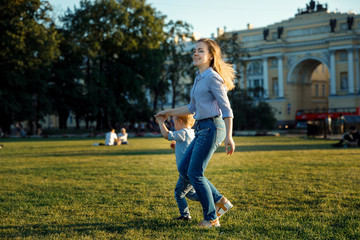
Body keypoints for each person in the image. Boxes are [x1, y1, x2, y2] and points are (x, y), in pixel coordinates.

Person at [156, 38, 235, 228]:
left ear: (210, 56)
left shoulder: (212, 77)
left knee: (195, 172)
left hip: (213, 127)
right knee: (185, 169)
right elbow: (191, 108)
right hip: (201, 127)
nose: (195, 54)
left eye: (200, 51)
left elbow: (227, 109)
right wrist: (168, 112)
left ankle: (211, 218)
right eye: (194, 50)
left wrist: (229, 137)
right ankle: (220, 201)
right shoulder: (199, 78)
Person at [156, 114, 200, 221]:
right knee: (191, 193)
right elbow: (187, 149)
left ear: (180, 122)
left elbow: (166, 135)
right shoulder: (192, 133)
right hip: (191, 169)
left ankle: (185, 216)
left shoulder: (183, 132)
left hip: (186, 171)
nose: (174, 125)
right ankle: (211, 199)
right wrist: (176, 147)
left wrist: (161, 122)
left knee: (179, 193)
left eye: (174, 122)